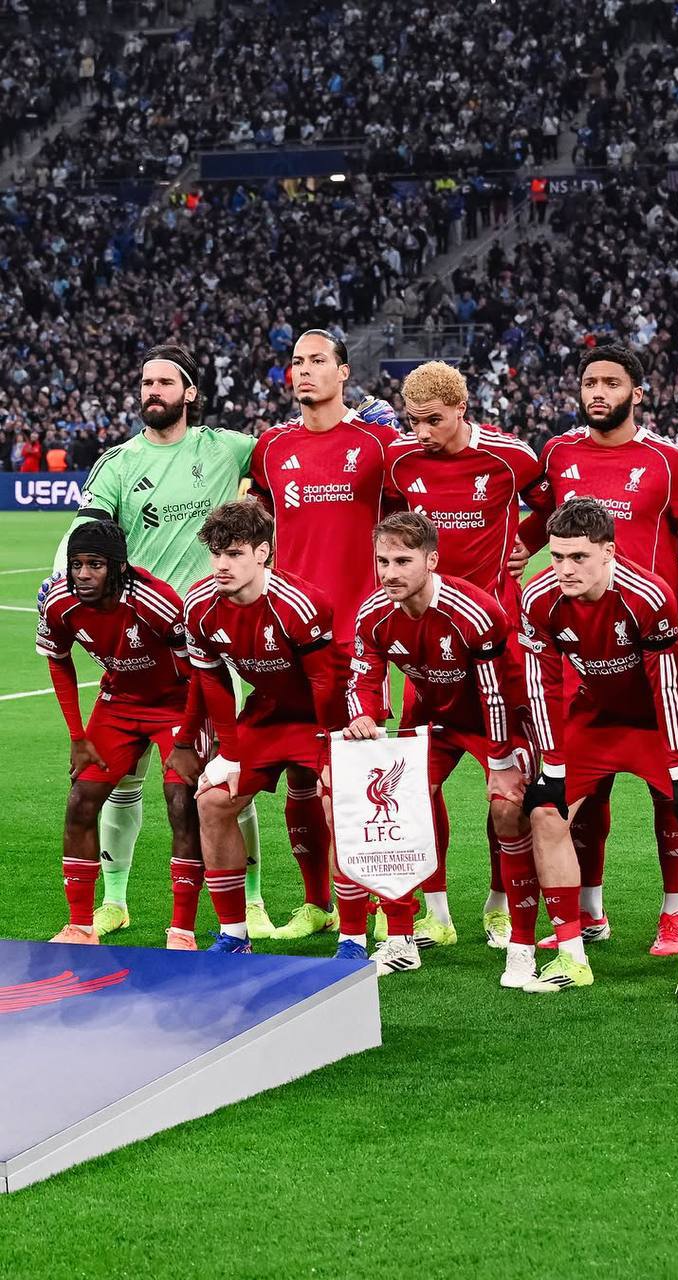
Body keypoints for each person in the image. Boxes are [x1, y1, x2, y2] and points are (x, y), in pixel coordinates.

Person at [40, 344, 270, 940]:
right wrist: (61, 575)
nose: (153, 391)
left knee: (222, 781)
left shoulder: (226, 447)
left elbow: (287, 450)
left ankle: (251, 900)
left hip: (214, 638)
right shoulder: (118, 462)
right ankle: (113, 901)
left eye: (165, 382)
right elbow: (86, 531)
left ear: (189, 392)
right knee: (120, 786)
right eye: (146, 382)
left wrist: (364, 414)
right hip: (135, 632)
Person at [518, 344, 678, 958]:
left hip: (651, 646)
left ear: (637, 393)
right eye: (589, 383)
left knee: (672, 794)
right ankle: (588, 910)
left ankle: (674, 914)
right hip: (583, 654)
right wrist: (519, 546)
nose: (598, 392)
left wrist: (676, 568)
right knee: (585, 791)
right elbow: (543, 518)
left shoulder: (670, 462)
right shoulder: (558, 452)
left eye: (611, 382)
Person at [520, 498, 678, 999]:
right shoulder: (539, 597)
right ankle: (572, 954)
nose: (565, 569)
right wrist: (552, 764)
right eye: (557, 556)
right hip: (598, 719)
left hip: (660, 718)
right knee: (545, 812)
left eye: (579, 557)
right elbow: (541, 682)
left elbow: (666, 683)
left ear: (608, 552)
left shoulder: (647, 595)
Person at [385, 360, 548, 949]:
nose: (422, 431)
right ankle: (436, 912)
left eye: (433, 419)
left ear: (461, 408)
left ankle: (500, 903)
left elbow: (552, 506)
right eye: (413, 421)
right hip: (427, 651)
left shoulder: (510, 457)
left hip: (494, 650)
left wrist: (525, 543)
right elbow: (388, 524)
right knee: (412, 788)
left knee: (506, 791)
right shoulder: (402, 462)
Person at [247, 330, 400, 942]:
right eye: (296, 362)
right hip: (289, 635)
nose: (304, 371)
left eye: (317, 361)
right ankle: (317, 903)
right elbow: (254, 518)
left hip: (356, 635)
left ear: (343, 373)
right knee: (302, 776)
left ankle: (384, 909)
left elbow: (416, 518)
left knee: (361, 781)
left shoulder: (378, 444)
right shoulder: (272, 446)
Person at [344, 512, 540, 985]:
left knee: (507, 808)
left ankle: (514, 931)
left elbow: (496, 693)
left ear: (431, 561)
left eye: (403, 561)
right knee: (394, 807)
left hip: (500, 718)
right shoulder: (373, 614)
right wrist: (363, 715)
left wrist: (500, 761)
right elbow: (363, 679)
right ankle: (404, 935)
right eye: (383, 561)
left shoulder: (475, 611)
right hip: (432, 717)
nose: (390, 573)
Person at [37, 521, 204, 949]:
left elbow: (200, 672)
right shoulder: (59, 602)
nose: (82, 574)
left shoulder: (157, 602)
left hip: (176, 703)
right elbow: (58, 659)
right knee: (80, 800)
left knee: (182, 801)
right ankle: (80, 927)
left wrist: (188, 739)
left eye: (94, 564)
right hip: (119, 703)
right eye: (76, 564)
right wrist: (77, 736)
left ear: (118, 567)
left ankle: (182, 932)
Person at [182, 502, 340, 954]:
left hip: (325, 713)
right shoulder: (198, 605)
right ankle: (234, 935)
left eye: (234, 554)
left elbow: (325, 681)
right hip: (269, 712)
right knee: (213, 801)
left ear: (262, 553)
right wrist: (229, 754)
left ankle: (353, 933)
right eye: (216, 553)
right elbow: (212, 680)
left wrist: (331, 750)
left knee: (339, 805)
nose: (221, 565)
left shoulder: (300, 603)